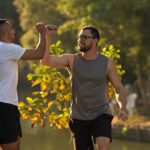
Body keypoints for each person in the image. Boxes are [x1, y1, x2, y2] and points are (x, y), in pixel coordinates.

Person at [42, 25, 128, 150]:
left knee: (103, 145)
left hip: (101, 114)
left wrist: (123, 108)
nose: (80, 40)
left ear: (95, 41)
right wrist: (47, 37)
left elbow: (119, 88)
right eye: (79, 37)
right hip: (78, 118)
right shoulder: (71, 60)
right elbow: (46, 61)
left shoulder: (107, 62)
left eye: (84, 37)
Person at [0, 18, 50, 150]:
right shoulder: (7, 48)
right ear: (4, 32)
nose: (14, 32)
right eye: (11, 28)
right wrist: (42, 33)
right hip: (5, 106)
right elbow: (39, 53)